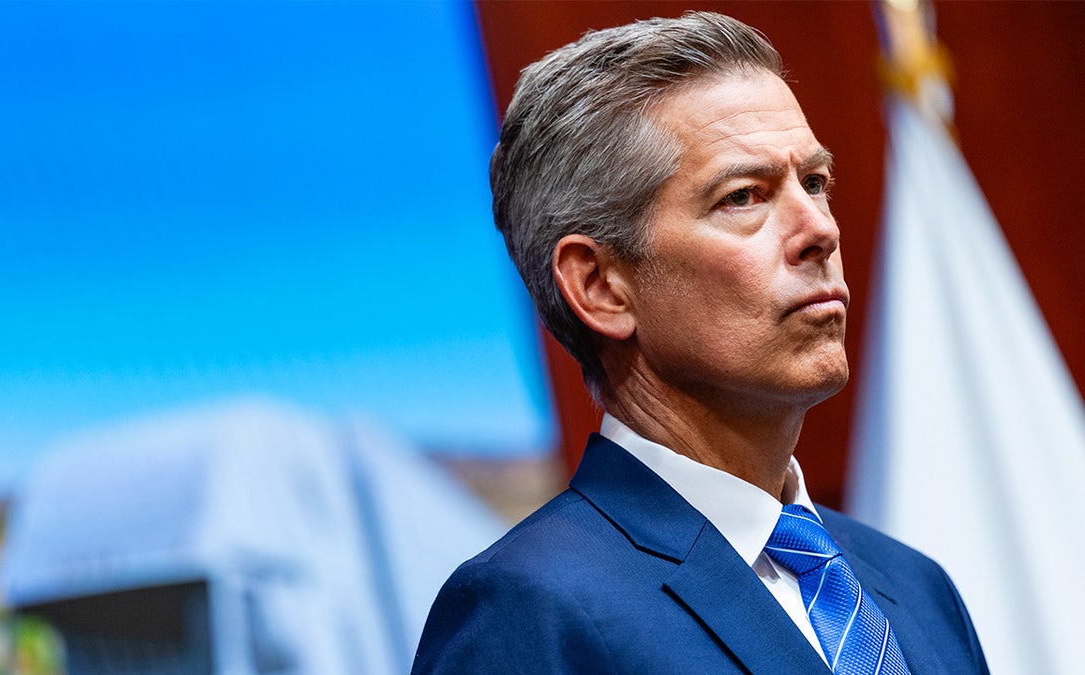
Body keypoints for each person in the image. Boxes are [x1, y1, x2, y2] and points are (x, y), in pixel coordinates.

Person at [412, 11, 988, 675]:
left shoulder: (915, 586)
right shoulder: (530, 610)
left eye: (815, 182)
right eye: (744, 196)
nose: (819, 230)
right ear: (600, 285)